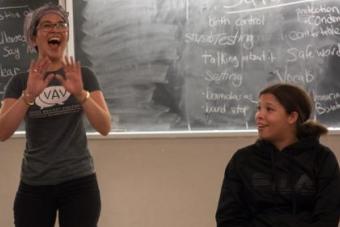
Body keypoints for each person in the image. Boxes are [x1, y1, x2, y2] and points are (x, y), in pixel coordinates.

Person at [0, 4, 111, 227]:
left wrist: (81, 94)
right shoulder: (20, 82)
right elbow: (2, 132)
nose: (55, 30)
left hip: (80, 183)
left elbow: (105, 126)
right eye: (47, 25)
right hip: (35, 184)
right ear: (33, 37)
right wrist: (28, 96)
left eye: (61, 25)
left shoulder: (83, 76)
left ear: (67, 34)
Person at [215, 83, 340, 227]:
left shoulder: (322, 159)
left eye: (269, 109)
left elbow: (327, 218)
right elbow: (228, 218)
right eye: (259, 109)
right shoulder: (243, 160)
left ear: (292, 117)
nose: (259, 116)